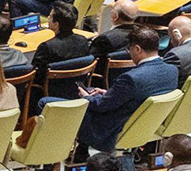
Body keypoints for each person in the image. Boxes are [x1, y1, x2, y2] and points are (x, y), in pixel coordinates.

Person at [76, 27, 177, 156]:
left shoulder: (131, 78)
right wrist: (109, 93)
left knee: (78, 105)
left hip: (117, 127)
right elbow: (139, 94)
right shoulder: (172, 70)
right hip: (148, 124)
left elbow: (101, 105)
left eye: (130, 49)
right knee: (93, 94)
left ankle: (78, 156)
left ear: (137, 49)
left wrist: (86, 97)